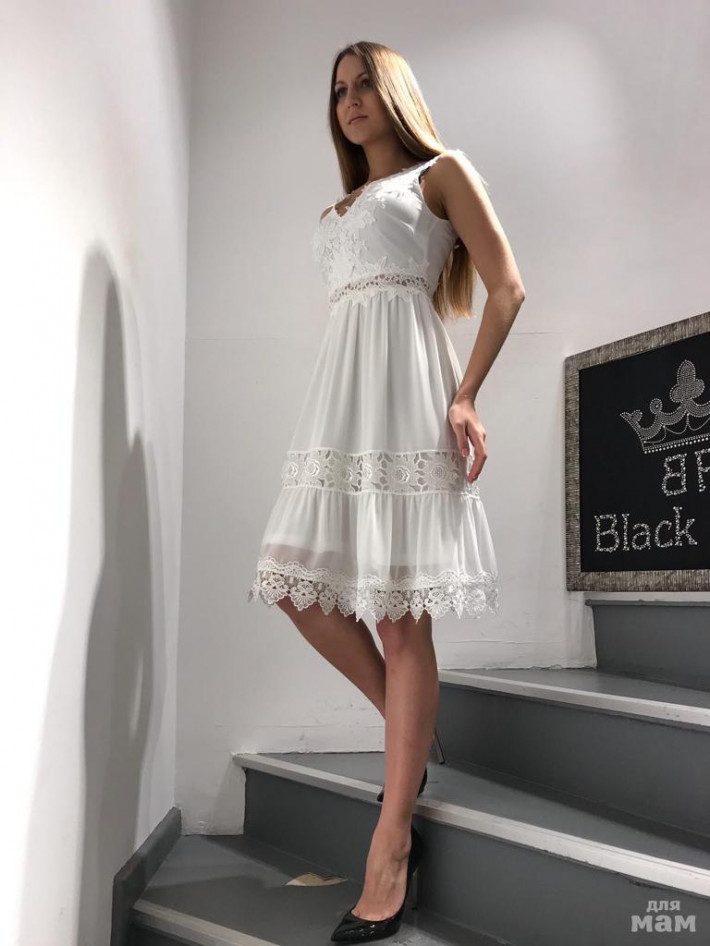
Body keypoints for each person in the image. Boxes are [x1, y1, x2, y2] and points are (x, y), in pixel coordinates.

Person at [248, 40, 525, 942]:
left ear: (395, 92)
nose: (351, 99)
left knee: (404, 623)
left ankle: (391, 841)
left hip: (410, 403)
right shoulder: (339, 208)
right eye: (339, 89)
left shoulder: (440, 175)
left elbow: (507, 287)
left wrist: (466, 395)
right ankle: (413, 734)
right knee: (297, 586)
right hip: (339, 407)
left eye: (365, 82)